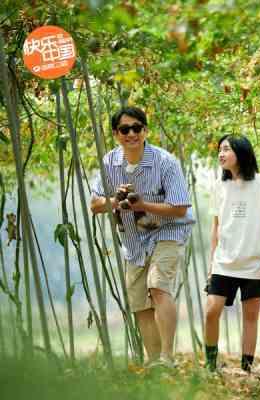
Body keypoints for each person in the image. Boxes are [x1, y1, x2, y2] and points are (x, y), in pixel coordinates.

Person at [90, 106, 194, 368]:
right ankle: (154, 363)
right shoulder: (109, 163)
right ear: (116, 134)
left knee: (158, 285)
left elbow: (180, 207)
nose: (131, 134)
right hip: (133, 239)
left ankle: (168, 358)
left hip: (168, 230)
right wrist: (117, 200)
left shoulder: (165, 161)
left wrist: (143, 205)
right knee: (139, 301)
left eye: (137, 128)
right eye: (125, 129)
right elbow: (95, 204)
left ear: (145, 131)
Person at [204, 134, 260, 373]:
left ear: (241, 152)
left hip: (254, 262)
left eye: (226, 149)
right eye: (220, 150)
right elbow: (216, 226)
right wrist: (212, 261)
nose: (221, 154)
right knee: (211, 311)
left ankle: (246, 369)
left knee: (250, 316)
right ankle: (210, 366)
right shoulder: (219, 185)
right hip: (224, 262)